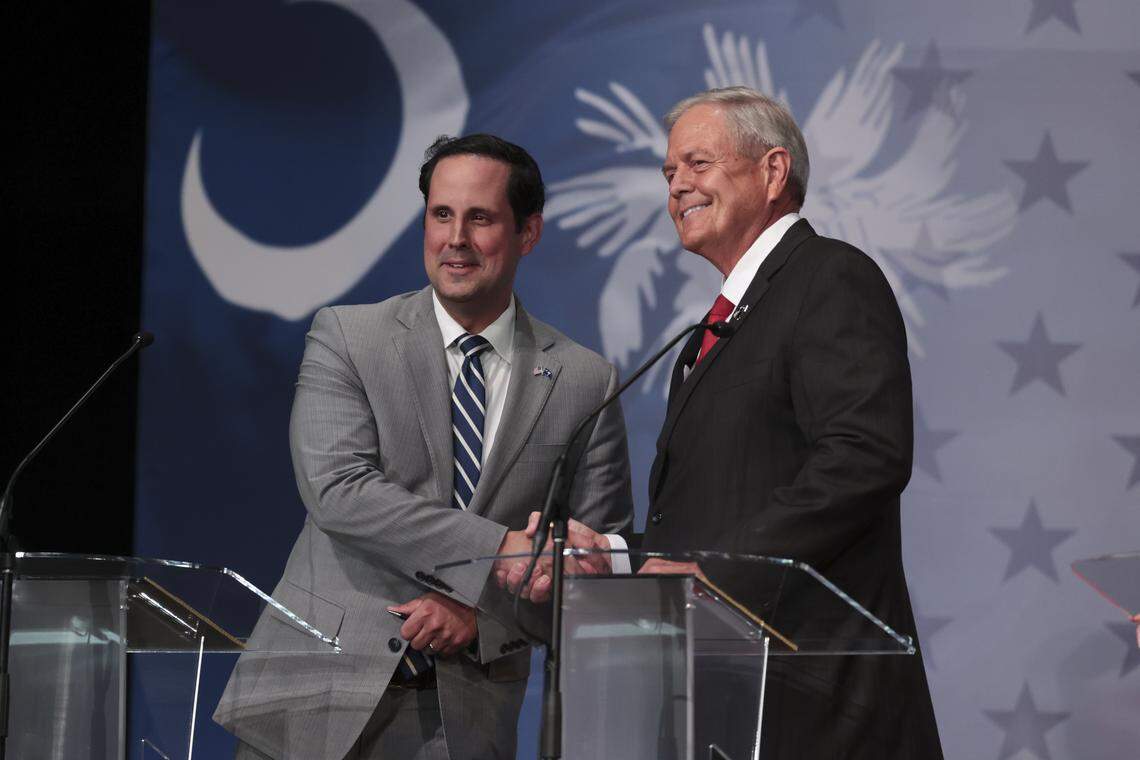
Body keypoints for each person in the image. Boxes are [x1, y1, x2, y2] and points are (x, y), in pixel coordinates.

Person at [215, 134, 633, 760]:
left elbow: (590, 567)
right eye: (441, 214)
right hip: (311, 702)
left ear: (529, 232)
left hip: (463, 717)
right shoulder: (349, 337)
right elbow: (339, 493)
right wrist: (499, 552)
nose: (455, 238)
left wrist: (481, 616)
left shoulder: (583, 380)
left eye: (481, 217)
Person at [638, 86, 943, 758]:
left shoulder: (830, 278)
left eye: (697, 164)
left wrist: (715, 575)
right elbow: (705, 515)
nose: (677, 186)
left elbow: (865, 455)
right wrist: (607, 557)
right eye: (669, 173)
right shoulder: (708, 334)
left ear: (772, 172)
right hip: (730, 697)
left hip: (818, 702)